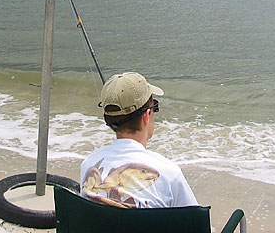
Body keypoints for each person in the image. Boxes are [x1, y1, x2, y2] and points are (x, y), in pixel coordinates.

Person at [80, 71, 198, 208]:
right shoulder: (169, 174)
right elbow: (197, 225)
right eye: (155, 107)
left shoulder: (88, 165)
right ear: (147, 115)